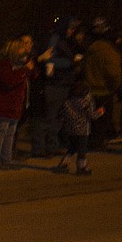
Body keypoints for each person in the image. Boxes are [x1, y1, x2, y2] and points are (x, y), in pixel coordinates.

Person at [0, 38, 36, 168]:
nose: (24, 50)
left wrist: (28, 68)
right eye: (20, 48)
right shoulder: (2, 65)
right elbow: (9, 81)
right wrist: (25, 70)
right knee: (0, 132)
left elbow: (33, 76)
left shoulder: (19, 64)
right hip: (2, 105)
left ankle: (6, 158)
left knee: (10, 133)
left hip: (14, 106)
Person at [36, 16, 82, 157]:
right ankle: (39, 148)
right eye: (69, 28)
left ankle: (52, 146)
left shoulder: (66, 41)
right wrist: (71, 62)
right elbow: (49, 60)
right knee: (49, 117)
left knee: (57, 118)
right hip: (55, 84)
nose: (71, 31)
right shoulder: (55, 39)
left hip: (63, 83)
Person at [84, 18, 122, 148]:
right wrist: (116, 86)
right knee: (102, 119)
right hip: (104, 90)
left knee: (92, 118)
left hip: (90, 89)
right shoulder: (109, 51)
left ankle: (91, 141)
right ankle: (98, 143)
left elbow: (84, 68)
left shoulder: (90, 50)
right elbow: (114, 73)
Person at [54, 80, 101, 176]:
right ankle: (81, 167)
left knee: (73, 147)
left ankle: (64, 163)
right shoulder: (86, 103)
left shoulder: (68, 102)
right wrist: (100, 112)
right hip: (83, 131)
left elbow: (62, 114)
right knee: (82, 150)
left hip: (70, 129)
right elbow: (92, 116)